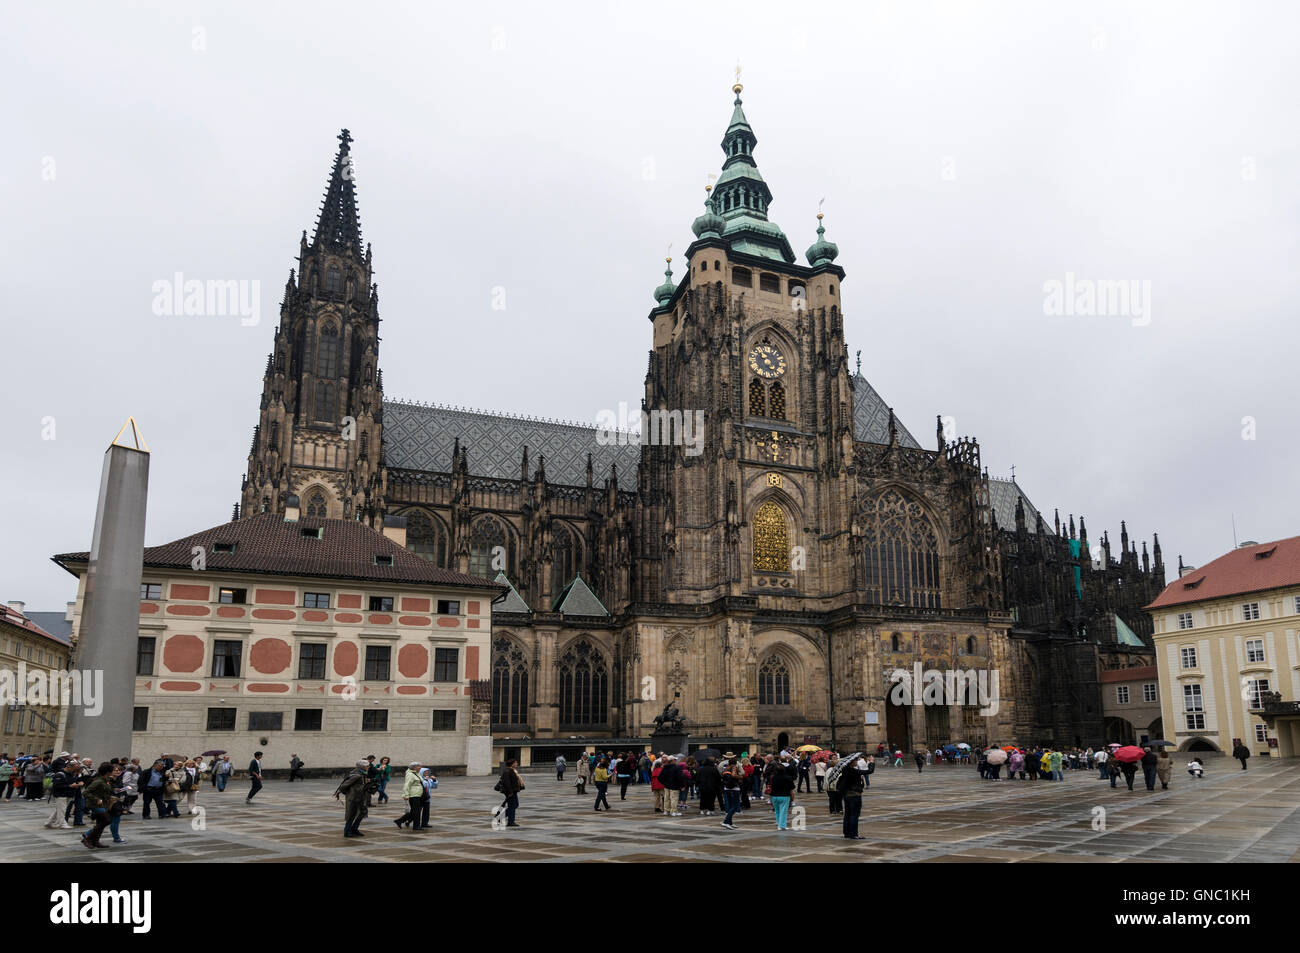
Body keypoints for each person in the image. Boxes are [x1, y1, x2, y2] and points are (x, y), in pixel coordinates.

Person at [335, 760, 377, 837]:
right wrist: (350, 794)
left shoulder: (363, 773)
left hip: (361, 797)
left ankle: (354, 829)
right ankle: (347, 832)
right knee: (351, 814)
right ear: (362, 766)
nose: (369, 767)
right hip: (354, 797)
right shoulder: (356, 775)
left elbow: (362, 784)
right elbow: (343, 786)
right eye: (367, 766)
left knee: (362, 813)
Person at [80, 763, 117, 850]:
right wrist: (96, 799)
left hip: (103, 804)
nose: (114, 771)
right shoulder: (98, 781)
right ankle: (87, 838)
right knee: (107, 820)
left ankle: (96, 841)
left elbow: (105, 791)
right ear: (108, 772)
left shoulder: (106, 779)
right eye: (112, 770)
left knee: (100, 822)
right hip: (95, 804)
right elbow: (85, 792)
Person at [839, 754, 867, 840]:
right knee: (854, 815)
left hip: (847, 795)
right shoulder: (853, 771)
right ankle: (854, 834)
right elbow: (869, 771)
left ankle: (847, 833)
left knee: (847, 814)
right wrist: (871, 763)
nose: (857, 762)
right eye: (856, 760)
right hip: (855, 795)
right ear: (851, 762)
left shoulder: (845, 771)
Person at [395, 762, 424, 829]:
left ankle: (399, 821)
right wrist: (405, 795)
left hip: (418, 794)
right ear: (414, 767)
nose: (420, 768)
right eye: (419, 766)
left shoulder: (416, 773)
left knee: (415, 811)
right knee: (416, 811)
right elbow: (406, 785)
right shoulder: (410, 774)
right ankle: (416, 826)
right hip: (413, 795)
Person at [771, 756, 796, 830]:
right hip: (784, 795)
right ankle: (782, 826)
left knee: (777, 811)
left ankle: (779, 824)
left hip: (774, 795)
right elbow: (792, 787)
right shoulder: (788, 778)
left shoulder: (773, 777)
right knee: (783, 811)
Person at [497, 758, 523, 828]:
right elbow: (507, 783)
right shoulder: (507, 771)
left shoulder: (512, 770)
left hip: (513, 791)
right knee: (513, 806)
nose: (517, 764)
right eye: (516, 762)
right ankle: (509, 821)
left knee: (514, 805)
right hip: (510, 791)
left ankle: (506, 819)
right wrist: (510, 792)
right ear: (512, 764)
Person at [719, 754, 743, 830]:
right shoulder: (734, 767)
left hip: (727, 788)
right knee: (735, 806)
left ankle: (730, 822)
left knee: (730, 805)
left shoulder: (726, 767)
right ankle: (726, 821)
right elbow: (733, 775)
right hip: (734, 788)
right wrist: (740, 777)